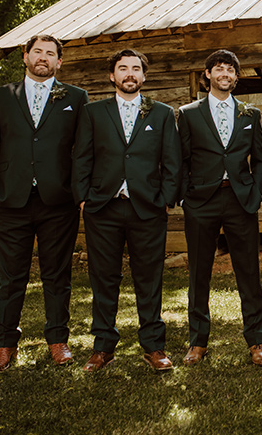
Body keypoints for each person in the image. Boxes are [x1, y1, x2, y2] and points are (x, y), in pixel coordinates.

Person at [0, 34, 88, 373]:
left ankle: (58, 341)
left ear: (59, 62)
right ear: (25, 56)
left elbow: (83, 150)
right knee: (11, 278)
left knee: (57, 275)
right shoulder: (1, 96)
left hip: (58, 202)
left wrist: (79, 193)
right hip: (9, 202)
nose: (43, 58)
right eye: (37, 51)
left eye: (50, 54)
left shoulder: (76, 98)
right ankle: (5, 344)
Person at [72, 49, 181, 372]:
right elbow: (81, 158)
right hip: (102, 208)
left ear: (144, 76)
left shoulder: (160, 113)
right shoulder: (94, 113)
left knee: (149, 279)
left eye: (136, 69)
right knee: (104, 279)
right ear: (112, 76)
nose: (130, 74)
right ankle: (103, 346)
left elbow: (173, 161)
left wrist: (165, 198)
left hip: (147, 208)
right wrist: (83, 198)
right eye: (123, 68)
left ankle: (153, 346)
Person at [178, 50, 262, 366]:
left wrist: (255, 194)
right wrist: (184, 197)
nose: (225, 73)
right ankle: (198, 342)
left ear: (236, 77)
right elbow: (181, 159)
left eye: (231, 69)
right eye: (219, 68)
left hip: (239, 200)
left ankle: (256, 341)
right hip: (201, 201)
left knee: (249, 272)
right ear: (207, 75)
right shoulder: (189, 114)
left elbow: (260, 160)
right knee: (199, 273)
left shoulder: (250, 114)